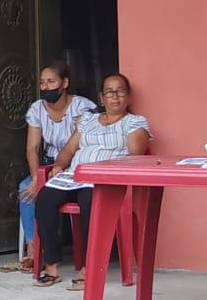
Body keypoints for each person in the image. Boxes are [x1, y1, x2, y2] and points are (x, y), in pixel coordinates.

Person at [33, 73, 151, 288]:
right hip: (75, 175)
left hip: (105, 181)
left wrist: (105, 170)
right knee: (45, 200)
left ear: (128, 96)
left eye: (120, 91)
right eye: (109, 92)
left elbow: (135, 156)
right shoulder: (88, 120)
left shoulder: (135, 122)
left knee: (90, 202)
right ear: (101, 97)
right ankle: (51, 264)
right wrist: (59, 165)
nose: (115, 96)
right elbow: (69, 149)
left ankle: (88, 267)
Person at [3, 61, 93, 274]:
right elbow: (32, 148)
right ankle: (33, 248)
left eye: (51, 81)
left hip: (75, 164)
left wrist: (60, 168)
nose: (46, 87)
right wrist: (37, 178)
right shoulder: (37, 108)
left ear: (65, 83)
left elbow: (78, 144)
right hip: (49, 163)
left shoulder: (82, 107)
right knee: (26, 188)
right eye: (42, 82)